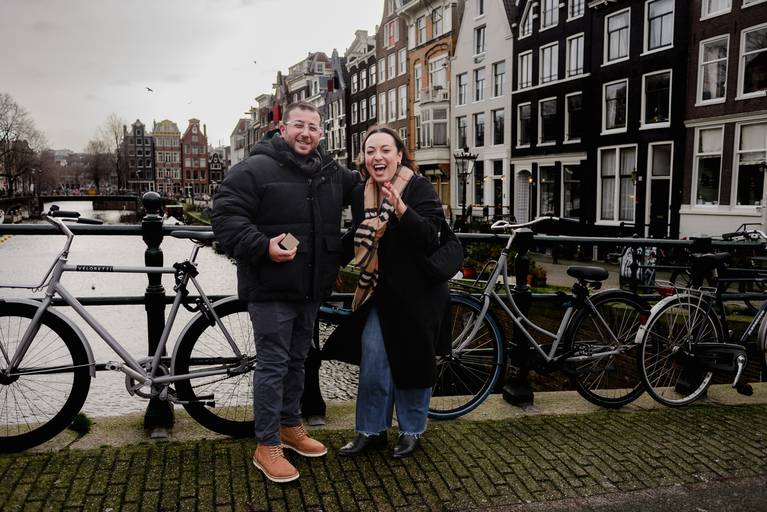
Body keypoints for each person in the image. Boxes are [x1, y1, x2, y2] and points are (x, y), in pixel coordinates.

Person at [211, 101, 358, 483]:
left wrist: (403, 185)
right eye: (299, 125)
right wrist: (262, 246)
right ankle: (266, 444)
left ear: (322, 133)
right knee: (274, 364)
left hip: (310, 286)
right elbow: (225, 217)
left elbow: (366, 187)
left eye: (313, 127)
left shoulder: (330, 172)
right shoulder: (254, 169)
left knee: (298, 359)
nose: (306, 133)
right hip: (272, 285)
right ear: (283, 128)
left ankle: (290, 427)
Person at [332, 125, 450, 459]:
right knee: (373, 359)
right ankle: (371, 431)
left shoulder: (419, 187)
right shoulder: (361, 193)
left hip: (418, 294)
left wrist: (401, 208)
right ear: (364, 158)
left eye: (385, 150)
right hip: (380, 292)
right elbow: (356, 236)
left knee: (413, 361)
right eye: (371, 151)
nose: (377, 156)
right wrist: (325, 266)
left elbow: (431, 237)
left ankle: (411, 430)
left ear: (399, 155)